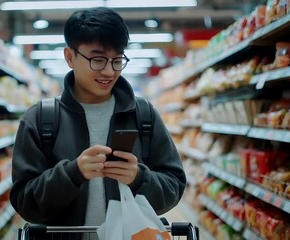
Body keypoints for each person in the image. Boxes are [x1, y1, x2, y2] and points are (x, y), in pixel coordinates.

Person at [10, 6, 186, 232]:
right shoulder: (40, 119)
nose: (109, 72)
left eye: (117, 60)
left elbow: (174, 186)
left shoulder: (143, 114)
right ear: (70, 57)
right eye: (98, 60)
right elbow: (25, 203)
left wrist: (139, 178)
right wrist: (72, 174)